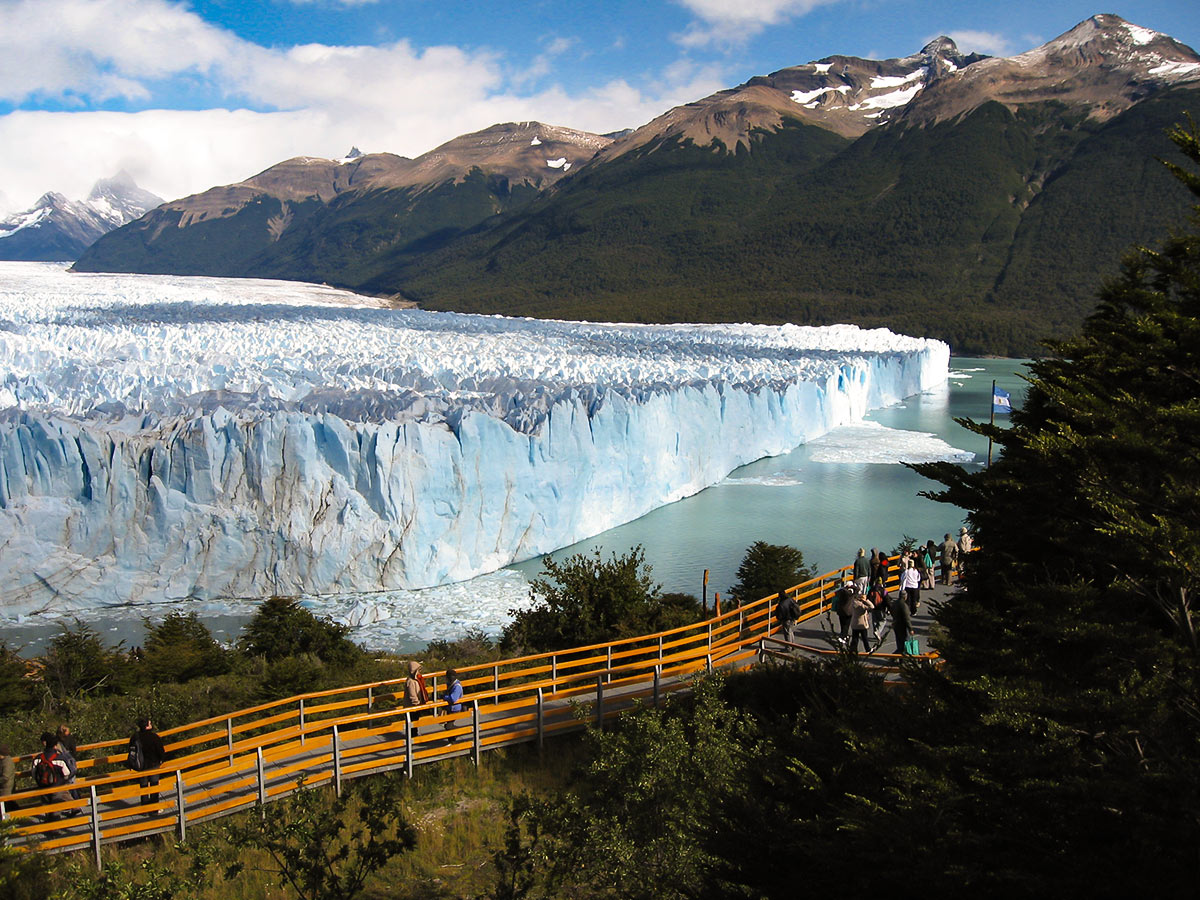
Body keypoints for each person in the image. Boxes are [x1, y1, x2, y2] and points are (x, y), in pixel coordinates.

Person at [31, 731, 73, 820]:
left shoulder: (38, 758)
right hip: (57, 786)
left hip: (43, 786)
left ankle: (49, 822)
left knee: (46, 805)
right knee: (55, 807)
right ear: (55, 745)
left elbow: (33, 773)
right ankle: (55, 828)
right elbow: (67, 773)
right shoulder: (60, 758)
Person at [128, 717, 167, 807]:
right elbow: (161, 750)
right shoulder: (154, 737)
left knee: (143, 786)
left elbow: (131, 750)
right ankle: (154, 808)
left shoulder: (135, 737)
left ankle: (145, 808)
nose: (151, 725)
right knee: (154, 785)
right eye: (150, 724)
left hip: (140, 765)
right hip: (153, 764)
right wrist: (162, 759)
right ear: (147, 726)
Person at [403, 660, 429, 737]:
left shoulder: (417, 680)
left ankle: (414, 734)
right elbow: (412, 695)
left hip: (416, 706)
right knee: (412, 721)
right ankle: (412, 736)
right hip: (412, 706)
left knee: (415, 721)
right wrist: (417, 703)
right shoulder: (411, 682)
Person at [847, 589, 874, 654]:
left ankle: (853, 650)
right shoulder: (862, 606)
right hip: (862, 624)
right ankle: (868, 649)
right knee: (864, 638)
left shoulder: (853, 603)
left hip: (854, 623)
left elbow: (850, 611)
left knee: (855, 638)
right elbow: (872, 607)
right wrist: (866, 601)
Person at [888, 590, 914, 655]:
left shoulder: (895, 603)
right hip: (902, 626)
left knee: (899, 642)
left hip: (896, 624)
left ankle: (898, 657)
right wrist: (910, 628)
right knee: (905, 642)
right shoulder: (904, 605)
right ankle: (897, 657)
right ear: (905, 597)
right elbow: (906, 618)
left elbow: (891, 611)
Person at [442, 669, 464, 741]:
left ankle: (459, 732)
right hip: (450, 708)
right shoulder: (450, 684)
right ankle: (452, 740)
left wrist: (444, 697)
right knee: (448, 725)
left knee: (449, 726)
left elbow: (453, 698)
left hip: (455, 708)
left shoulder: (457, 686)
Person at [834, 579, 856, 643]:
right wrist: (852, 586)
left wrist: (845, 587)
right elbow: (857, 589)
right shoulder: (851, 593)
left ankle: (844, 635)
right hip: (848, 612)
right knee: (846, 625)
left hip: (840, 610)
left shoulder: (841, 591)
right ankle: (843, 637)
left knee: (842, 624)